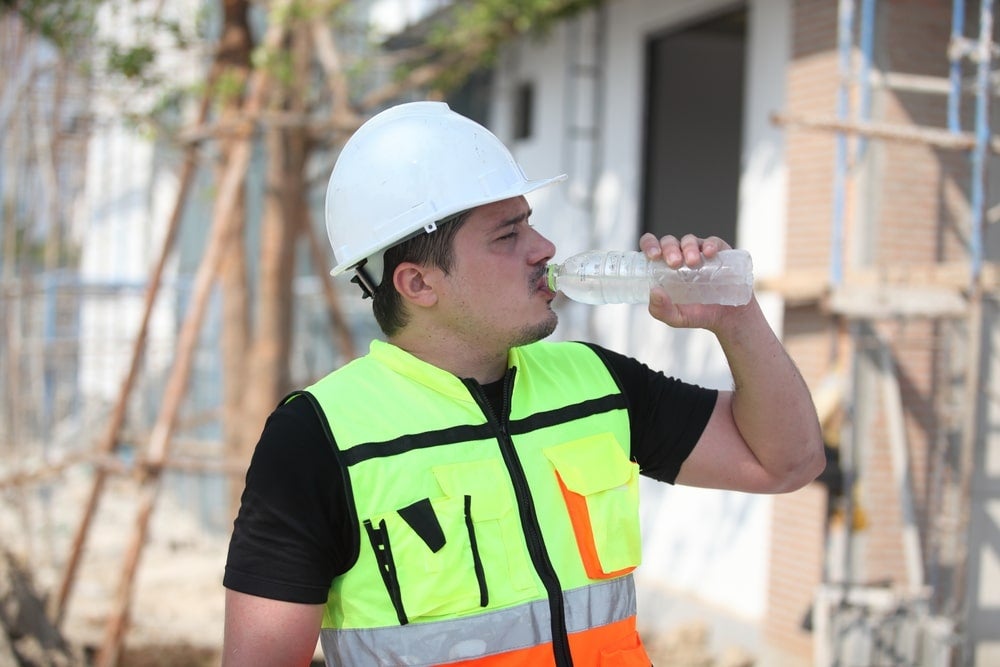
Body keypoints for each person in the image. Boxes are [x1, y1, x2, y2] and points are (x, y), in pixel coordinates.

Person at [222, 101, 824, 667]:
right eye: (507, 236)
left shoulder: (596, 383)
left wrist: (734, 317)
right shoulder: (317, 438)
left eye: (528, 224)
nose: (544, 249)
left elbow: (787, 463)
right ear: (419, 284)